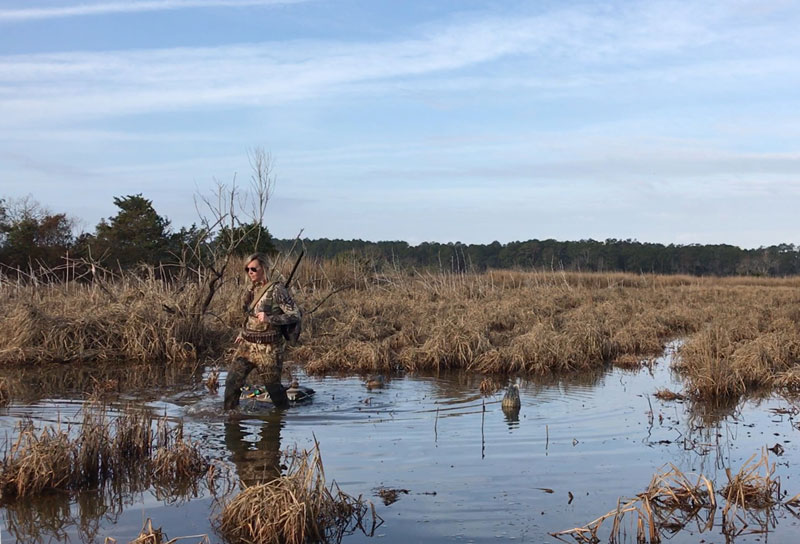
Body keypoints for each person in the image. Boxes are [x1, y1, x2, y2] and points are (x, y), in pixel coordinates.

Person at [223, 252, 301, 410]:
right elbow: (248, 315)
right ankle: (231, 419)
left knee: (274, 390)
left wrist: (270, 319)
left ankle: (282, 417)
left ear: (264, 268)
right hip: (247, 347)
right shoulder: (250, 290)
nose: (250, 272)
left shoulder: (276, 290)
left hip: (269, 349)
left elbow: (295, 314)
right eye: (247, 269)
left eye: (253, 269)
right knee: (232, 383)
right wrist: (242, 332)